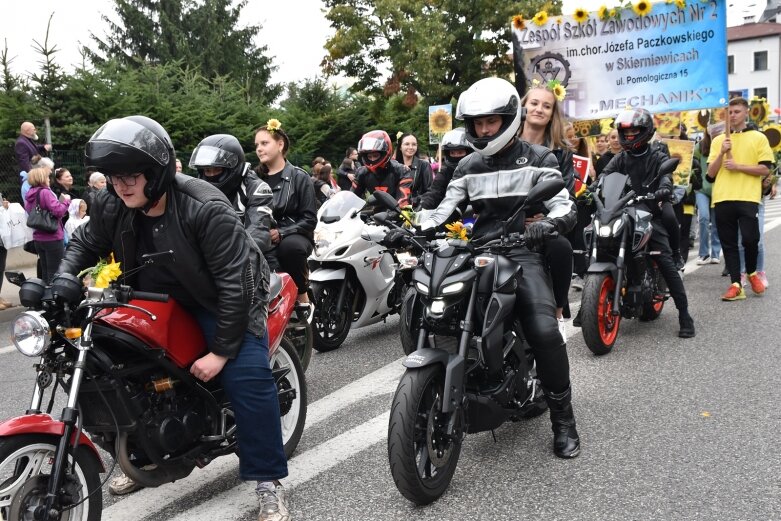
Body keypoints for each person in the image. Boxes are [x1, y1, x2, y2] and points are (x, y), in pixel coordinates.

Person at [57, 115, 290, 520]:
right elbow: (85, 241)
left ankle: (268, 480)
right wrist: (61, 281)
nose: (122, 184)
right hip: (153, 298)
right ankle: (142, 453)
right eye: (114, 176)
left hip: (224, 298)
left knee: (246, 377)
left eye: (132, 175)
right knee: (111, 366)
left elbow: (238, 284)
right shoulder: (114, 203)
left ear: (157, 172)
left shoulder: (205, 207)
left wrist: (220, 352)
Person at [414, 77, 581, 458]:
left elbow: (566, 206)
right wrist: (404, 226)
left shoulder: (540, 159)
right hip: (477, 251)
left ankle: (563, 419)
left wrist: (547, 226)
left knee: (543, 329)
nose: (484, 130)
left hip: (523, 251)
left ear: (508, 119)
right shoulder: (468, 165)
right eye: (477, 123)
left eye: (491, 122)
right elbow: (441, 211)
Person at [600, 108, 695, 338]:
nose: (630, 135)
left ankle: (685, 314)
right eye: (626, 131)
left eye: (635, 130)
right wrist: (592, 188)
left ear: (645, 131)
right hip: (623, 211)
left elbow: (666, 175)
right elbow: (604, 176)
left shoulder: (657, 155)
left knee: (663, 259)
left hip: (652, 210)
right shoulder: (620, 158)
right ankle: (591, 303)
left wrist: (665, 186)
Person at [519, 84, 576, 323]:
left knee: (561, 247)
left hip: (543, 224)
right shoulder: (502, 143)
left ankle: (558, 314)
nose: (539, 109)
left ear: (553, 114)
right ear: (523, 106)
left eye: (547, 106)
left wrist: (549, 220)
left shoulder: (561, 153)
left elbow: (566, 196)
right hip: (505, 220)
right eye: (534, 103)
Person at [707, 97, 774, 300]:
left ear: (746, 112)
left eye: (737, 111)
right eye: (730, 112)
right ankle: (736, 284)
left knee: (750, 239)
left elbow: (765, 168)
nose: (733, 115)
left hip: (748, 197)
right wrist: (721, 153)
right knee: (729, 244)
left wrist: (738, 166)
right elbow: (710, 174)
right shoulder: (719, 140)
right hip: (723, 197)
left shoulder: (758, 137)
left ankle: (752, 272)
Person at [255, 119, 317, 307]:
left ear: (280, 144)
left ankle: (302, 296)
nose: (259, 149)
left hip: (294, 235)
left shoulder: (299, 177)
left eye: (264, 143)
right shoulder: (252, 177)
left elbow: (309, 219)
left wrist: (282, 232)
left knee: (289, 248)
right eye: (256, 145)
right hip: (260, 234)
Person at [191, 133, 274, 253]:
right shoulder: (197, 190)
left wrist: (228, 254)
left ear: (233, 168)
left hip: (252, 256)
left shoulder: (257, 188)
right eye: (207, 170)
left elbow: (258, 231)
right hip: (209, 253)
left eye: (218, 169)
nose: (212, 175)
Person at [24, 166, 69, 284]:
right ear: (42, 178)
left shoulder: (30, 194)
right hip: (52, 237)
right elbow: (58, 211)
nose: (49, 179)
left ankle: (44, 297)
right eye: (47, 176)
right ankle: (52, 299)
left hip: (39, 238)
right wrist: (66, 202)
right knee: (55, 272)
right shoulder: (45, 192)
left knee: (45, 271)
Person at [352, 130, 413, 207]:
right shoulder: (362, 173)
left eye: (375, 155)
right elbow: (352, 197)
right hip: (374, 215)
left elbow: (403, 199)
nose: (372, 159)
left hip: (398, 214)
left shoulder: (402, 171)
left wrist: (398, 210)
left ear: (384, 153)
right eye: (369, 156)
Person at [418, 127, 471, 210]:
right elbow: (434, 193)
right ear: (447, 153)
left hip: (479, 215)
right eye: (453, 153)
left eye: (460, 152)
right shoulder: (445, 171)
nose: (456, 155)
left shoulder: (478, 169)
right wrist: (422, 207)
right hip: (451, 215)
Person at [693, 125, 721, 265]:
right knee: (703, 218)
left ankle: (715, 253)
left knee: (717, 223)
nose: (714, 130)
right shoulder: (700, 146)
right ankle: (703, 253)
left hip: (719, 189)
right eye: (712, 127)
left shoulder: (724, 143)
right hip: (702, 189)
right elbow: (691, 163)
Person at [395, 132, 433, 207]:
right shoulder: (394, 166)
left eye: (414, 144)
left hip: (416, 209)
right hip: (395, 209)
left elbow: (430, 191)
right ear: (400, 147)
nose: (411, 147)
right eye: (407, 144)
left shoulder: (424, 165)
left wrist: (414, 201)